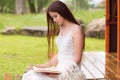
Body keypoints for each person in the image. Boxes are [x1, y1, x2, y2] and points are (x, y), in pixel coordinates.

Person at [22, 0, 86, 80]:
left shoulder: (76, 30)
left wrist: (63, 73)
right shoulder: (61, 28)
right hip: (59, 69)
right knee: (30, 74)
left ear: (63, 12)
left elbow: (77, 59)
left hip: (70, 72)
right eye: (52, 17)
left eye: (55, 16)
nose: (54, 20)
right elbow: (61, 54)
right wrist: (44, 65)